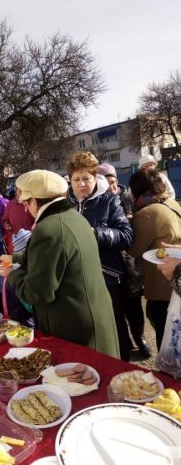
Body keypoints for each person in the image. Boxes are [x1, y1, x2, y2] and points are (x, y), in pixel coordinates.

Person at [0, 169, 120, 358]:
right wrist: (16, 258)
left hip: (76, 328)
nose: (26, 209)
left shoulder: (48, 229)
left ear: (35, 201)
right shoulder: (73, 217)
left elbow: (36, 293)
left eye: (26, 203)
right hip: (90, 318)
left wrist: (11, 273)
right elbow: (59, 257)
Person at [66, 152, 133, 361]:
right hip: (75, 279)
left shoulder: (109, 202)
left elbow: (127, 236)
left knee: (113, 326)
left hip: (107, 277)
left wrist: (95, 233)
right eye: (76, 179)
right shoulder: (64, 204)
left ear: (96, 178)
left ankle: (123, 366)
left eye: (86, 178)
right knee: (85, 329)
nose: (82, 184)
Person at [98, 162, 151, 358]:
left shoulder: (129, 198)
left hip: (131, 263)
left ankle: (140, 337)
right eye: (106, 182)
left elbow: (141, 227)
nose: (111, 186)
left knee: (134, 306)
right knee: (116, 309)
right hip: (111, 266)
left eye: (113, 182)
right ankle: (126, 341)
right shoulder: (99, 202)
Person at [128, 169, 181, 350]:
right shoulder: (171, 202)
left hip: (162, 284)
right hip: (176, 278)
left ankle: (167, 374)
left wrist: (128, 225)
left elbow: (134, 249)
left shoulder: (147, 213)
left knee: (165, 334)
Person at [2, 186, 34, 254]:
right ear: (16, 192)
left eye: (24, 192)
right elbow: (5, 219)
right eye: (20, 191)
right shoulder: (10, 204)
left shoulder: (31, 203)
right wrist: (6, 224)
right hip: (15, 241)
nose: (22, 194)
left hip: (30, 239)